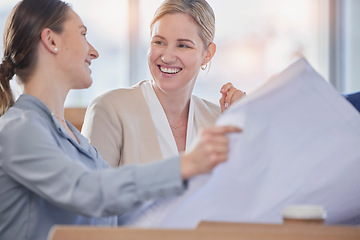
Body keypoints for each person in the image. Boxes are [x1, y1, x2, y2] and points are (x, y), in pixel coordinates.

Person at [0, 0, 240, 239]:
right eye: (83, 34)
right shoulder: (19, 129)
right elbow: (89, 191)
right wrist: (184, 165)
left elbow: (125, 211)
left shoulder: (73, 139)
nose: (94, 51)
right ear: (51, 41)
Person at [82, 0, 245, 168]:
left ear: (208, 54)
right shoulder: (109, 110)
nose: (167, 57)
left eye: (183, 45)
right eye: (159, 42)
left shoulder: (219, 120)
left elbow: (246, 188)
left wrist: (245, 127)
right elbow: (92, 190)